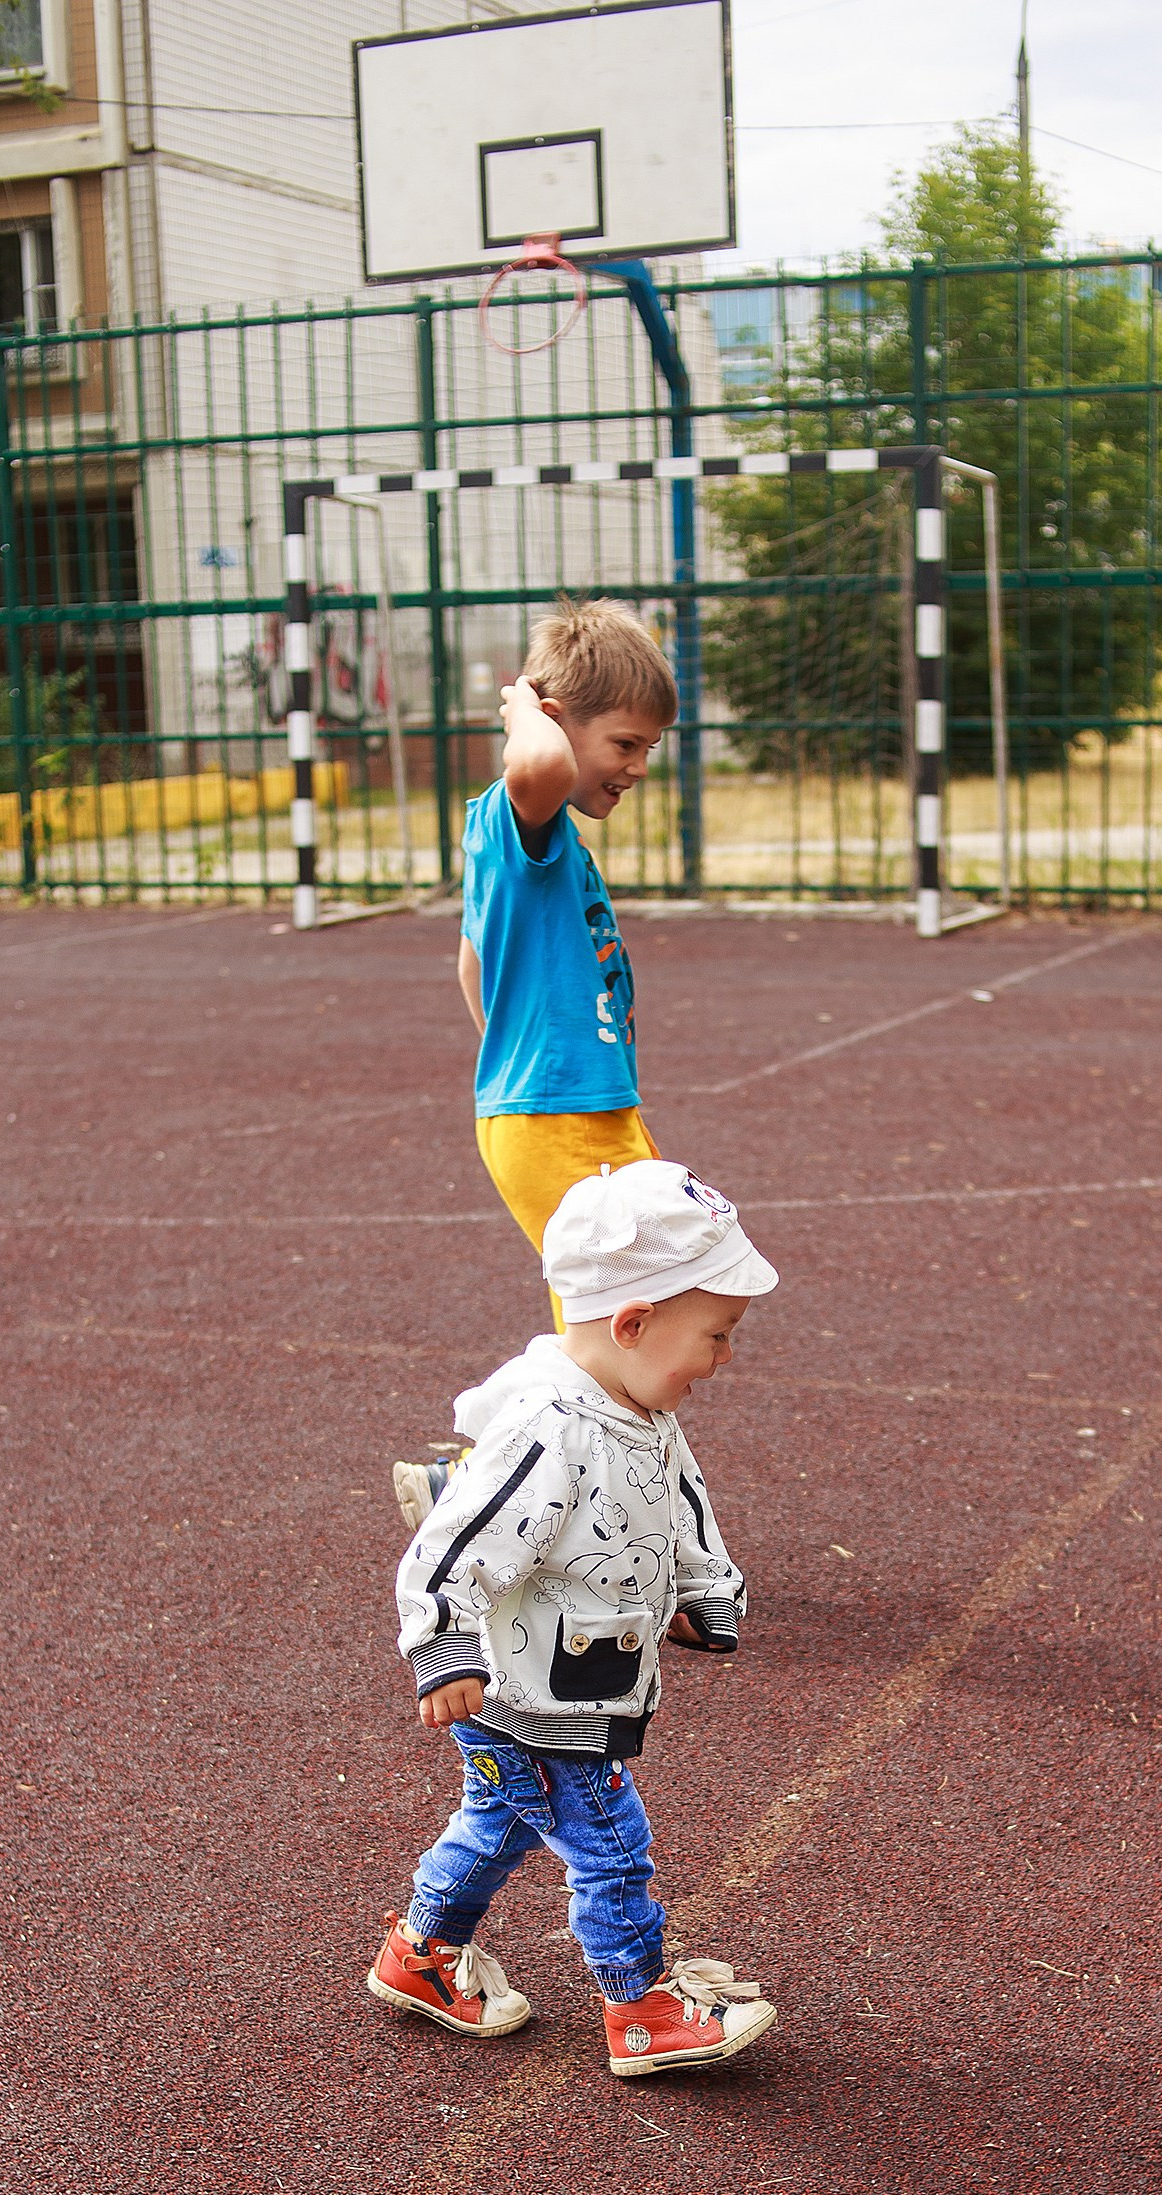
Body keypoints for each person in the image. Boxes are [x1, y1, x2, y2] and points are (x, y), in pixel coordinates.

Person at [370, 1161, 779, 2081]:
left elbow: (682, 1508)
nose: (724, 1357)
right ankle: (639, 2008)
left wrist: (709, 1590)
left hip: (577, 1681)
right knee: (610, 1843)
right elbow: (457, 1539)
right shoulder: (552, 1430)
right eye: (715, 1335)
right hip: (538, 1695)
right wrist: (443, 1641)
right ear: (633, 1325)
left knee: (501, 1822)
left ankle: (422, 1955)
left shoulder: (641, 1407)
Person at [394, 597, 676, 1535]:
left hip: (582, 1106)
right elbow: (543, 761)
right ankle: (487, 1490)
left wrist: (512, 1049)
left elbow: (470, 962)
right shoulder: (526, 810)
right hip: (555, 1116)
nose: (639, 767)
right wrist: (525, 704)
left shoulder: (536, 845)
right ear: (556, 723)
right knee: (618, 1328)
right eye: (627, 744)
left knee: (646, 1308)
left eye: (648, 748)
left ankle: (489, 1480)